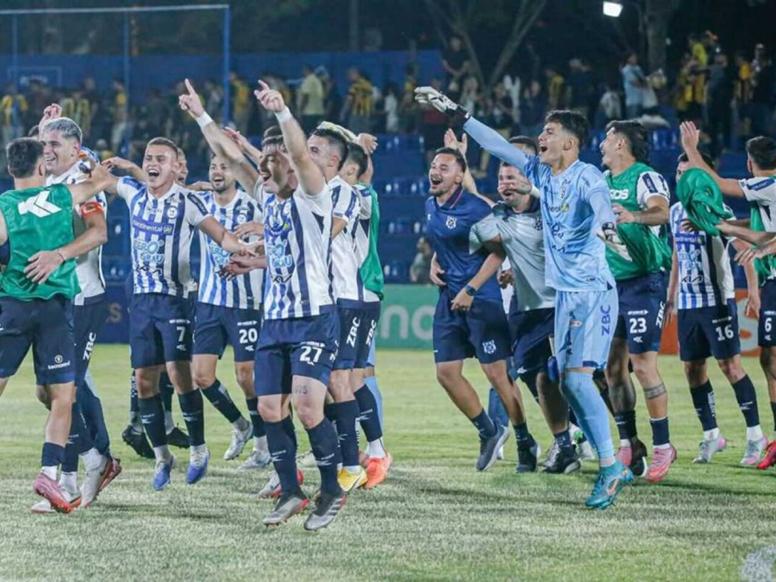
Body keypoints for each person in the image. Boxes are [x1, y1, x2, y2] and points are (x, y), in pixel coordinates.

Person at [416, 85, 633, 508]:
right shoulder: (542, 175)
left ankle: (612, 463)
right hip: (566, 296)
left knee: (577, 380)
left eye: (549, 132)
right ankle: (602, 454)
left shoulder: (586, 175)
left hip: (591, 292)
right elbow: (498, 146)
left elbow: (600, 200)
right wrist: (460, 115)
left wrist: (607, 225)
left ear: (569, 143)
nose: (541, 137)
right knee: (568, 383)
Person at [101, 136, 257, 491]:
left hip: (175, 301)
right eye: (148, 157)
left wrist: (246, 249)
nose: (152, 163)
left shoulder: (188, 201)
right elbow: (101, 182)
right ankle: (163, 457)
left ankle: (199, 449)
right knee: (144, 381)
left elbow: (222, 236)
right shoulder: (133, 193)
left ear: (175, 167)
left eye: (161, 158)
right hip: (142, 301)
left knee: (179, 374)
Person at [241, 81, 346, 531]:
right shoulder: (270, 199)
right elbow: (237, 161)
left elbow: (300, 155)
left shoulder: (313, 195)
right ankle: (290, 492)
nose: (266, 167)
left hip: (314, 318)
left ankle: (332, 490)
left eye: (275, 160)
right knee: (269, 408)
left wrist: (283, 111)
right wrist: (203, 119)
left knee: (307, 408)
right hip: (275, 321)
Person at [0, 137, 112, 513]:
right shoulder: (64, 196)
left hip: (12, 307)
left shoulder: (3, 206)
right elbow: (100, 180)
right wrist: (90, 162)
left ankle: (68, 475)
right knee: (62, 396)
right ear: (41, 167)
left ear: (9, 169)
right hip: (55, 309)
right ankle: (49, 471)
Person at [424, 145, 538, 473]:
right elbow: (447, 241)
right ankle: (488, 431)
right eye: (434, 165)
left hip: (481, 300)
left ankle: (524, 439)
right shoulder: (430, 204)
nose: (436, 171)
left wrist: (472, 289)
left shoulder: (474, 209)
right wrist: (435, 262)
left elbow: (498, 251)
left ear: (459, 177)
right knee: (446, 373)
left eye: (444, 168)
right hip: (449, 300)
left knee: (498, 376)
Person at [31, 109, 122, 512]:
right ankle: (96, 458)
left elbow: (99, 234)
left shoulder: (86, 183)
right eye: (43, 144)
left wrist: (59, 255)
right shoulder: (50, 182)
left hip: (83, 298)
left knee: (62, 390)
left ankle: (70, 478)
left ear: (75, 149)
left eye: (54, 144)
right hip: (55, 300)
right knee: (50, 391)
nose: (46, 150)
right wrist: (43, 128)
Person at [178, 81, 269, 468]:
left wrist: (258, 241)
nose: (217, 170)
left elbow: (277, 234)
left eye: (223, 165)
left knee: (247, 376)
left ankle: (263, 444)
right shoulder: (198, 201)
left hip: (247, 302)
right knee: (201, 376)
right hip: (210, 302)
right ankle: (240, 424)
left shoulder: (253, 202)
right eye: (213, 166)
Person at [469, 156, 580, 475]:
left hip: (558, 305)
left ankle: (613, 442)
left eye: (511, 177)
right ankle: (565, 445)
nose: (505, 184)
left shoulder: (550, 209)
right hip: (523, 309)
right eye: (501, 178)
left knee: (571, 377)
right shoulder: (498, 215)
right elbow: (474, 213)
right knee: (537, 379)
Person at [680, 121, 776, 466]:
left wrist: (691, 149)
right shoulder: (768, 197)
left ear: (750, 163)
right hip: (765, 284)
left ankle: (761, 436)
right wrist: (722, 225)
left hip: (736, 293)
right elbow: (759, 229)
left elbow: (721, 185)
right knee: (767, 360)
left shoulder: (766, 186)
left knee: (758, 362)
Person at [599, 120, 675, 483]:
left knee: (643, 366)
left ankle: (663, 446)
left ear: (621, 143)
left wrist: (635, 216)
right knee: (612, 369)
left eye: (607, 137)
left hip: (645, 282)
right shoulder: (602, 180)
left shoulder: (645, 177)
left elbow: (662, 211)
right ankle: (628, 442)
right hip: (611, 286)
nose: (602, 143)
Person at [297, 65, 325, 134]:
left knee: (307, 133)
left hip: (309, 112)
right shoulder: (317, 80)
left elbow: (305, 96)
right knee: (316, 133)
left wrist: (300, 110)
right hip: (319, 112)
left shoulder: (308, 80)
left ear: (307, 70)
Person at [621, 53, 646, 119]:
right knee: (632, 121)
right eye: (633, 57)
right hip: (632, 101)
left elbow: (644, 80)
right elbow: (635, 82)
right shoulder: (626, 70)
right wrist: (644, 84)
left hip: (642, 100)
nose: (635, 59)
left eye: (635, 57)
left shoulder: (638, 68)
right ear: (628, 59)